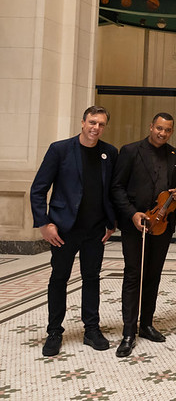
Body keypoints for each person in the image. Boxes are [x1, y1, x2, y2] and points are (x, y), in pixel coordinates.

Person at [30, 106, 118, 357]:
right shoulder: (60, 149)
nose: (96, 128)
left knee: (92, 278)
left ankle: (91, 329)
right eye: (92, 122)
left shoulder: (109, 153)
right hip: (64, 229)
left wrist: (111, 223)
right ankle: (54, 332)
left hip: (95, 230)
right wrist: (44, 223)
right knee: (59, 279)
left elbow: (111, 191)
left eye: (101, 124)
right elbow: (38, 189)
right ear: (82, 122)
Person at [111, 112, 176, 357]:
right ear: (150, 126)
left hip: (162, 225)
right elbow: (117, 187)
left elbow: (174, 192)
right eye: (159, 128)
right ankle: (128, 332)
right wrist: (132, 213)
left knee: (153, 275)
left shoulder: (175, 156)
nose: (162, 133)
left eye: (167, 130)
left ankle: (147, 325)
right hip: (137, 225)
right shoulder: (130, 151)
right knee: (134, 275)